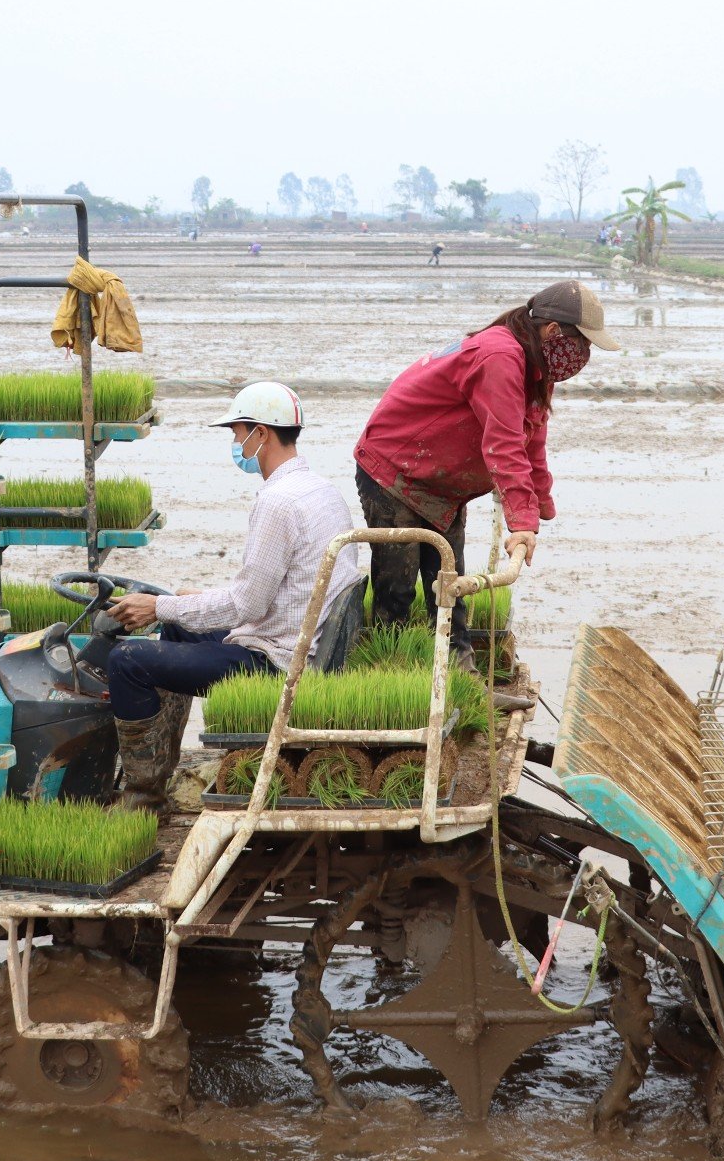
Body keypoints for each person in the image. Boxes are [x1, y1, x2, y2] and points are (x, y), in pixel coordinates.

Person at [104, 382, 361, 809]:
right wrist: (186, 605)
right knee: (178, 625)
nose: (236, 443)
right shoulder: (320, 490)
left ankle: (144, 797)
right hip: (303, 639)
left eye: (237, 433)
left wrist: (158, 605)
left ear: (261, 434)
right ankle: (160, 774)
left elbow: (248, 605)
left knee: (127, 661)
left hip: (275, 661)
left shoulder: (278, 503)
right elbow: (273, 587)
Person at [355, 280, 618, 650]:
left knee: (448, 590)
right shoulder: (500, 356)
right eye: (583, 343)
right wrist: (521, 521)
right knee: (396, 593)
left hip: (441, 484)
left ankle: (463, 680)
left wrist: (540, 504)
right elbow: (504, 444)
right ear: (554, 331)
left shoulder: (536, 365)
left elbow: (532, 441)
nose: (584, 353)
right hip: (395, 473)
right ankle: (390, 673)